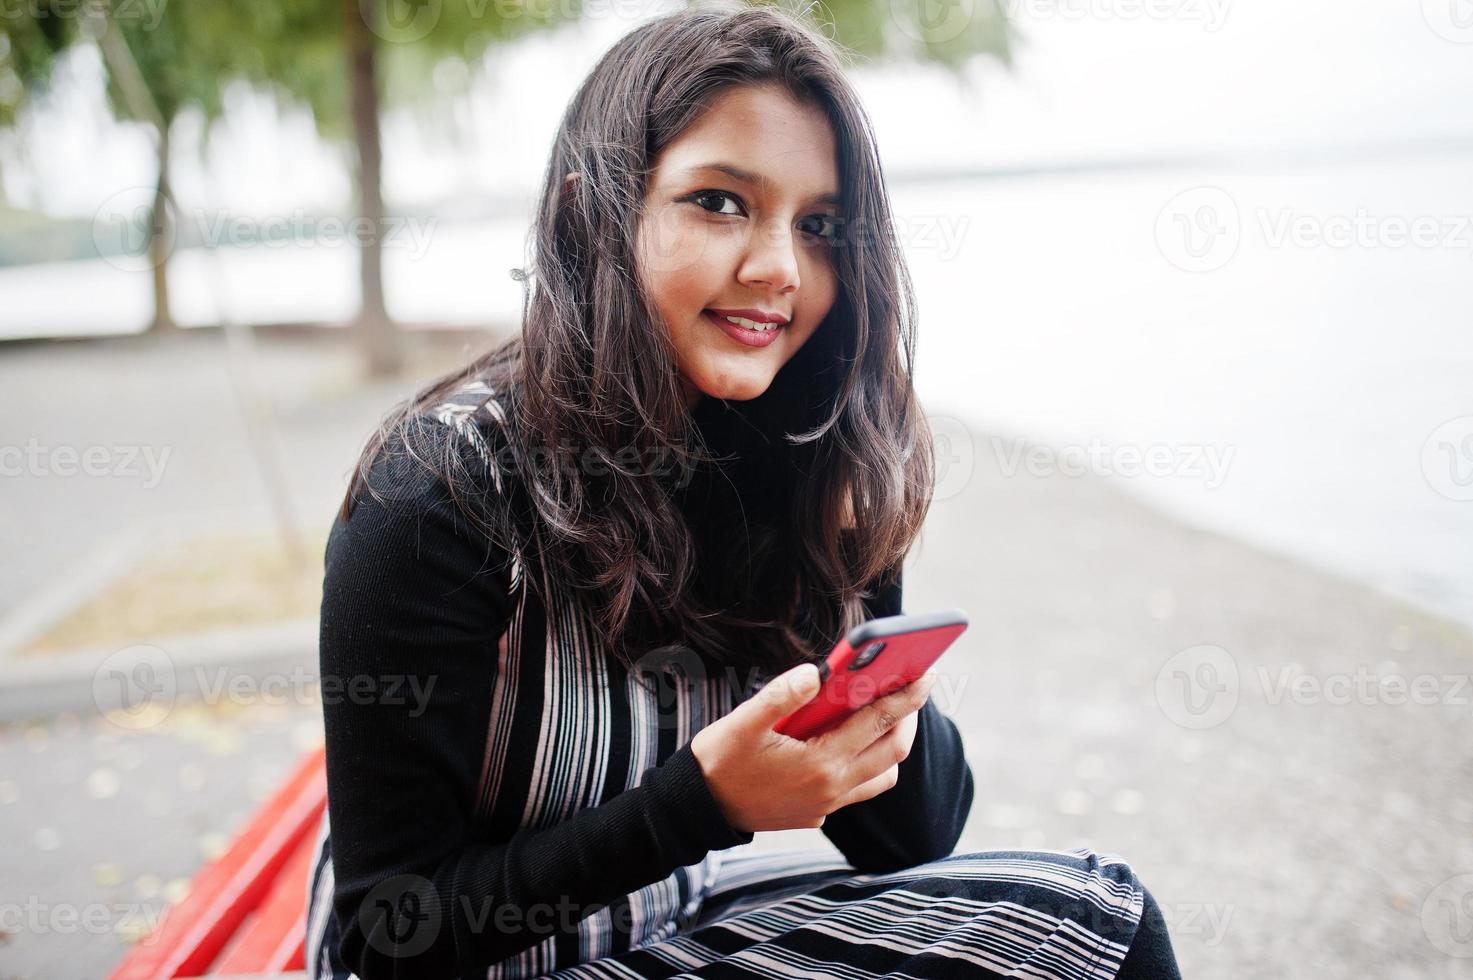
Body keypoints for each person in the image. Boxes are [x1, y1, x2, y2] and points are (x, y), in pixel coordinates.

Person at [303, 3, 1184, 978]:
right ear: (589, 211)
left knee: (1093, 921)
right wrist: (703, 803)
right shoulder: (440, 494)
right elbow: (389, 938)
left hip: (655, 924)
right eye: (721, 201)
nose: (779, 269)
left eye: (819, 225)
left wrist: (847, 588)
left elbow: (915, 834)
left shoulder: (772, 446)